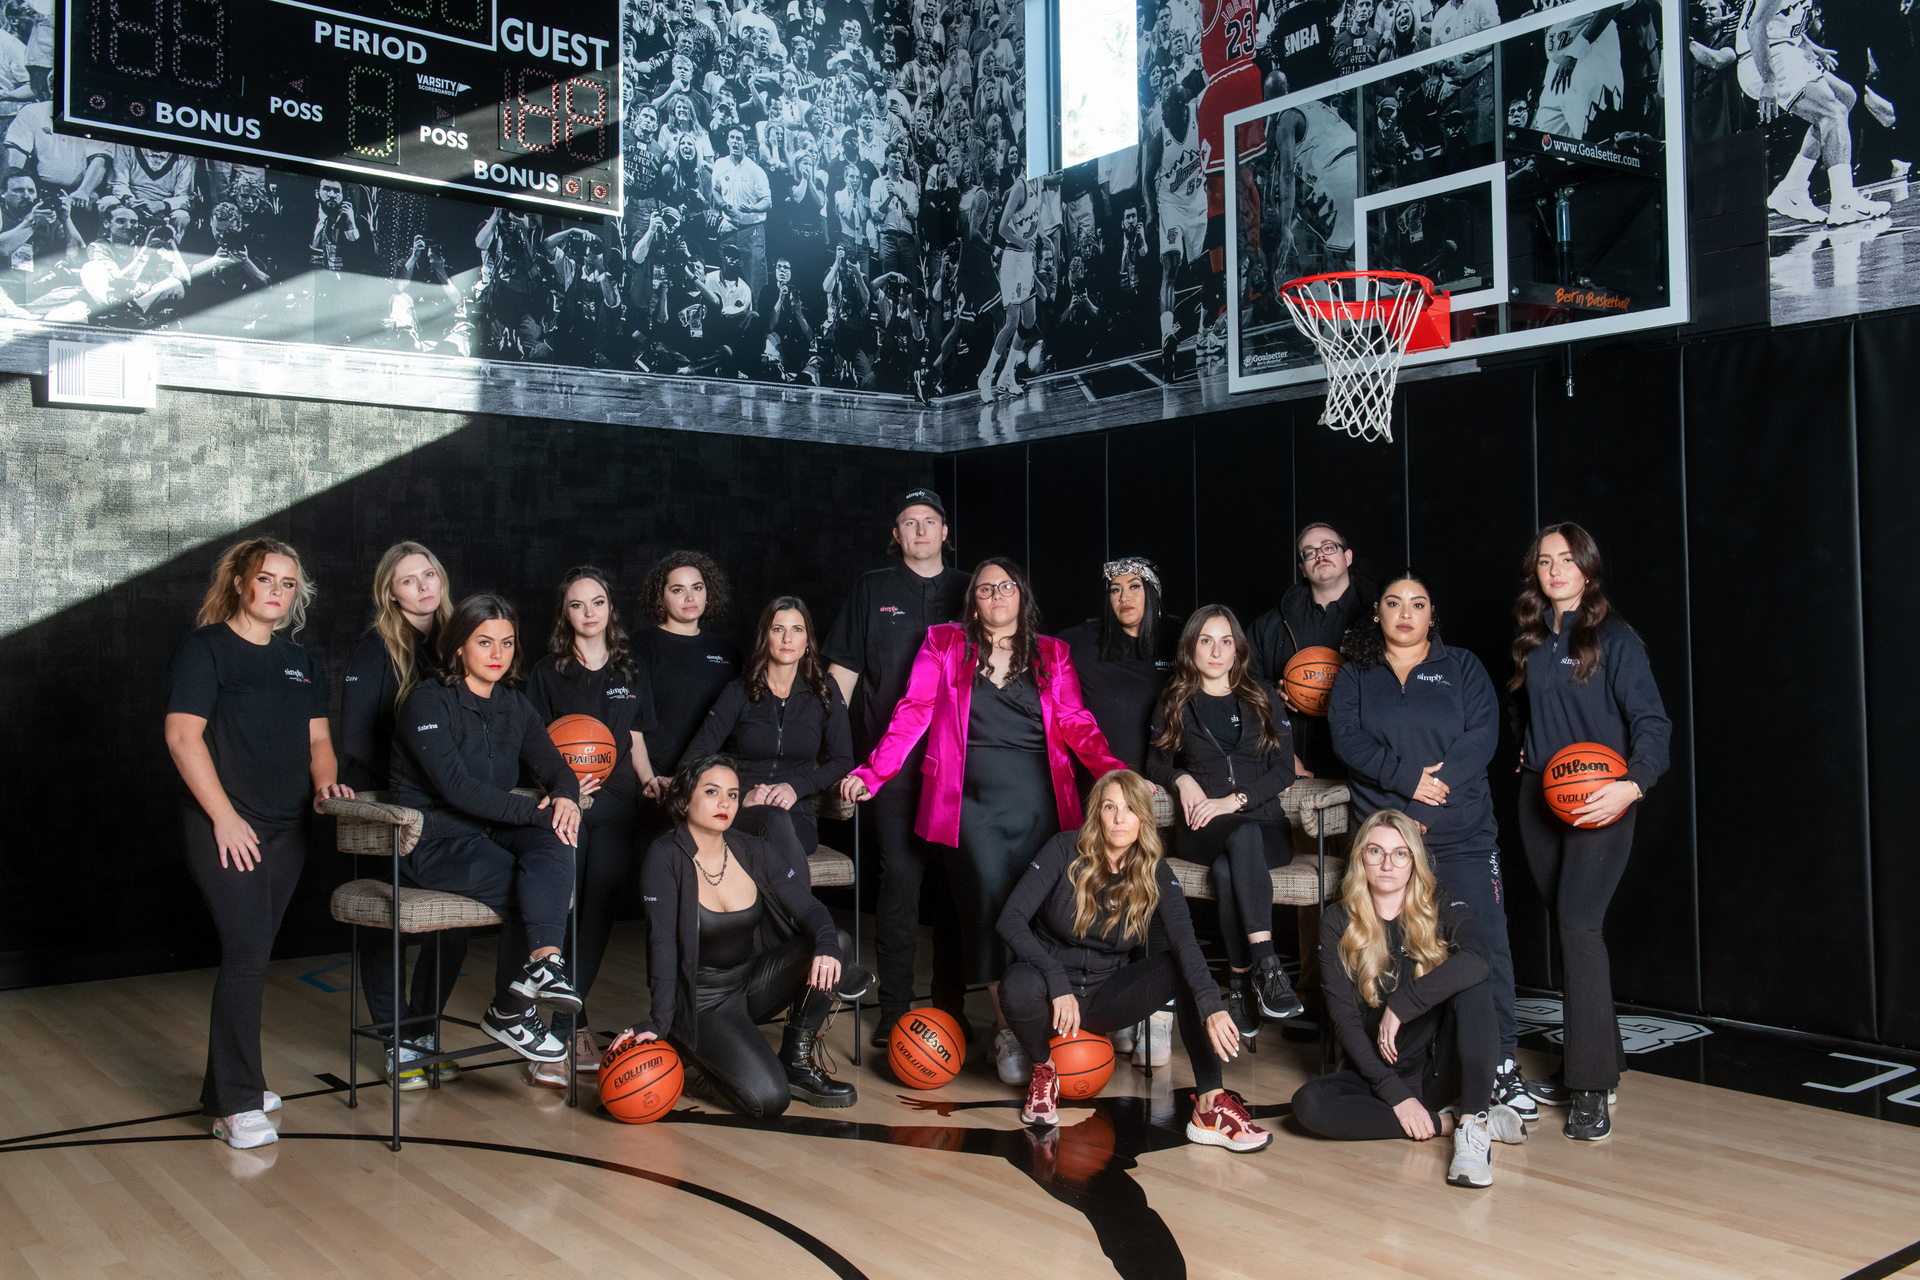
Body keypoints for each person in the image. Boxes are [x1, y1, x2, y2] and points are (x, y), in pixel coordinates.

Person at [840, 556, 1130, 1086]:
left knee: (1043, 909)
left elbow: (1075, 722)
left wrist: (1117, 774)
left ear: (1022, 594)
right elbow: (914, 709)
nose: (997, 596)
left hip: (1038, 799)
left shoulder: (1053, 654)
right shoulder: (944, 643)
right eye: (985, 589)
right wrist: (875, 772)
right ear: (973, 599)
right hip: (968, 802)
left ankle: (1052, 1017)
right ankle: (1008, 1031)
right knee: (994, 906)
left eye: (1006, 587)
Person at [1327, 569, 1534, 1121]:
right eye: (1393, 602)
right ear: (1377, 613)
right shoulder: (1355, 674)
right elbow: (1348, 742)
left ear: (1431, 615)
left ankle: (1502, 1068)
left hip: (1460, 835)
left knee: (1483, 946)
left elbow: (1481, 739)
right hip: (1387, 846)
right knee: (1386, 951)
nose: (1404, 612)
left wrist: (1421, 805)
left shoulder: (1462, 666)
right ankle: (1386, 1064)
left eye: (1417, 604)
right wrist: (1405, 782)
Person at [164, 538, 350, 1149]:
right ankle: (237, 1105)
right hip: (225, 825)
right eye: (266, 578)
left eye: (288, 583)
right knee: (245, 952)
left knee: (254, 956)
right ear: (243, 582)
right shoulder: (206, 649)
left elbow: (318, 743)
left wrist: (326, 787)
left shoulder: (303, 661)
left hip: (287, 828)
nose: (276, 590)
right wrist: (223, 817)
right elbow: (184, 738)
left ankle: (229, 1085)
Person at [998, 769, 1271, 1151]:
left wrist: (1212, 1006)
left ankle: (1211, 1103)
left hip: (1103, 997)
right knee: (1017, 985)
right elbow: (1009, 919)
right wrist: (1055, 979)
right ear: (1097, 813)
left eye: (1129, 809)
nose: (1119, 818)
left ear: (1143, 817)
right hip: (1047, 990)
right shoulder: (1063, 848)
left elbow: (1186, 943)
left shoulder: (1154, 871)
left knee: (1181, 969)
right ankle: (1044, 1070)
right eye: (1109, 807)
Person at [1509, 524, 1671, 1141]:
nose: (1556, 569)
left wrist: (1633, 784)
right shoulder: (1531, 640)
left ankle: (1589, 1085)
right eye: (1545, 561)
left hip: (1602, 796)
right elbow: (1523, 708)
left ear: (1587, 568)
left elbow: (1652, 722)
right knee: (1570, 928)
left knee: (1579, 926)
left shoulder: (1615, 638)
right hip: (1541, 797)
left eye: (1567, 560)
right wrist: (1525, 752)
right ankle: (1599, 1059)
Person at [607, 756, 871, 1115]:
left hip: (752, 982)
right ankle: (697, 1051)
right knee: (769, 1101)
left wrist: (826, 947)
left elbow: (810, 909)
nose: (725, 804)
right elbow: (663, 945)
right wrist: (660, 1022)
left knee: (834, 942)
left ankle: (796, 1060)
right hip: (704, 1003)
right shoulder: (665, 857)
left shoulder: (752, 849)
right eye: (712, 792)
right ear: (684, 799)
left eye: (732, 795)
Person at [389, 593, 586, 1066]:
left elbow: (559, 771)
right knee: (529, 882)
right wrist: (540, 811)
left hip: (489, 830)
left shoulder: (514, 705)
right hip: (433, 839)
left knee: (555, 836)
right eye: (484, 642)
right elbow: (458, 789)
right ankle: (512, 1011)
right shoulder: (426, 702)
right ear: (459, 646)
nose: (497, 654)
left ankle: (539, 971)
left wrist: (565, 799)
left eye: (507, 643)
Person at [1290, 810, 1528, 1188]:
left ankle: (1473, 1124)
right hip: (1374, 1075)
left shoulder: (1439, 903)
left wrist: (1403, 1004)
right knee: (1308, 1106)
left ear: (1414, 861)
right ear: (1359, 858)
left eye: (1400, 853)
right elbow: (1346, 1023)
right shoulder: (1337, 920)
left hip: (1436, 1071)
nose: (1387, 864)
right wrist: (1397, 1096)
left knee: (1472, 978)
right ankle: (1448, 1122)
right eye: (1375, 852)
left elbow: (1480, 958)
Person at [823, 489, 971, 1048]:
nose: (920, 531)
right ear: (897, 533)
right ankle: (896, 1010)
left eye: (929, 521)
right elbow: (842, 677)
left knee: (956, 887)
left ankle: (952, 1006)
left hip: (958, 764)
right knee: (901, 884)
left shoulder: (970, 589)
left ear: (943, 528)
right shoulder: (872, 589)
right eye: (909, 523)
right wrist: (838, 753)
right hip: (889, 765)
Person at [523, 567, 664, 1085]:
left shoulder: (632, 669)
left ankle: (560, 1029)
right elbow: (532, 742)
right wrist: (560, 790)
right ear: (566, 613)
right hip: (568, 804)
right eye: (578, 604)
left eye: (598, 602)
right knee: (564, 910)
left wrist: (650, 782)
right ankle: (565, 1029)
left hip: (620, 801)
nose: (589, 612)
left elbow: (638, 740)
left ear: (610, 609)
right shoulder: (546, 672)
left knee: (600, 909)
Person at [339, 541, 466, 1093]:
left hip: (449, 804)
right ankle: (396, 1040)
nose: (423, 586)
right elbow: (354, 738)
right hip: (390, 807)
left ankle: (422, 1029)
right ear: (390, 591)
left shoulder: (456, 643)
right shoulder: (376, 649)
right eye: (409, 580)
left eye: (429, 575)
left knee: (456, 914)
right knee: (386, 924)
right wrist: (411, 784)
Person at [1147, 605, 1306, 1039]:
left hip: (1267, 828)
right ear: (1191, 647)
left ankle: (1238, 983)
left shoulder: (1263, 697)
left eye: (1225, 640)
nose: (1216, 651)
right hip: (1202, 830)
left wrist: (1234, 800)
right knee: (1238, 836)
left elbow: (1284, 771)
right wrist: (1181, 780)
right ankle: (1267, 966)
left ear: (1237, 648)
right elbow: (1155, 763)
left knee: (1231, 861)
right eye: (1205, 640)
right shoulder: (1175, 701)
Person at [683, 595, 854, 883]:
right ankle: (806, 924)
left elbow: (843, 760)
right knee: (770, 837)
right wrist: (737, 794)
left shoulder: (825, 691)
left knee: (776, 832)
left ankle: (771, 927)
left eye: (797, 630)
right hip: (741, 811)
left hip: (796, 813)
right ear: (766, 638)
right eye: (778, 629)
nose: (788, 638)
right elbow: (694, 757)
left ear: (807, 641)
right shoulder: (739, 692)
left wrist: (795, 787)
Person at [1248, 521, 1378, 780]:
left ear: (1348, 557)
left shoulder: (1381, 619)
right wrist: (1273, 693)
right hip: (1293, 765)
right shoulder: (1269, 626)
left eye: (1329, 547)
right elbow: (1239, 684)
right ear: (1303, 569)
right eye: (1309, 552)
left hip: (1365, 770)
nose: (1320, 555)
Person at [1052, 558, 1178, 774]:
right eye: (1115, 590)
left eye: (1134, 586)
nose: (1124, 597)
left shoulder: (1179, 638)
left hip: (1169, 781)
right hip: (1106, 784)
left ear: (1153, 592)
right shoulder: (1083, 642)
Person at [633, 550, 744, 782]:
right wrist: (649, 780)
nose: (690, 597)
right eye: (677, 590)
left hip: (713, 776)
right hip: (656, 775)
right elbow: (631, 722)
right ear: (660, 597)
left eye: (697, 587)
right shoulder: (640, 646)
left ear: (707, 593)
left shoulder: (727, 650)